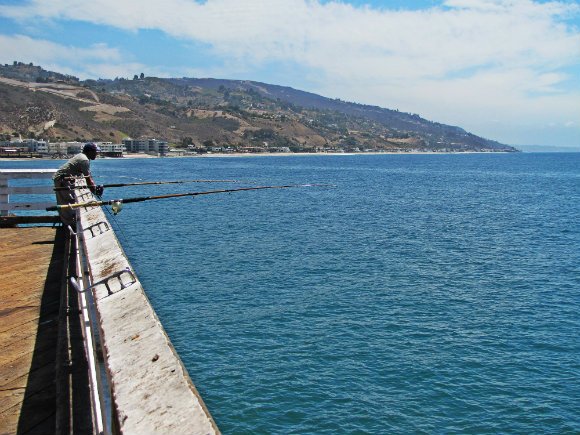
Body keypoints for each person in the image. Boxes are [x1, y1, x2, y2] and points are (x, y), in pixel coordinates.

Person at [53, 143, 104, 226]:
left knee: (69, 201)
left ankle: (69, 223)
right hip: (62, 180)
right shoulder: (84, 160)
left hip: (65, 179)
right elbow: (88, 178)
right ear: (90, 151)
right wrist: (94, 190)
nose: (97, 154)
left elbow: (88, 175)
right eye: (95, 152)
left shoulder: (83, 157)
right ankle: (69, 225)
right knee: (66, 203)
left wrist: (93, 187)